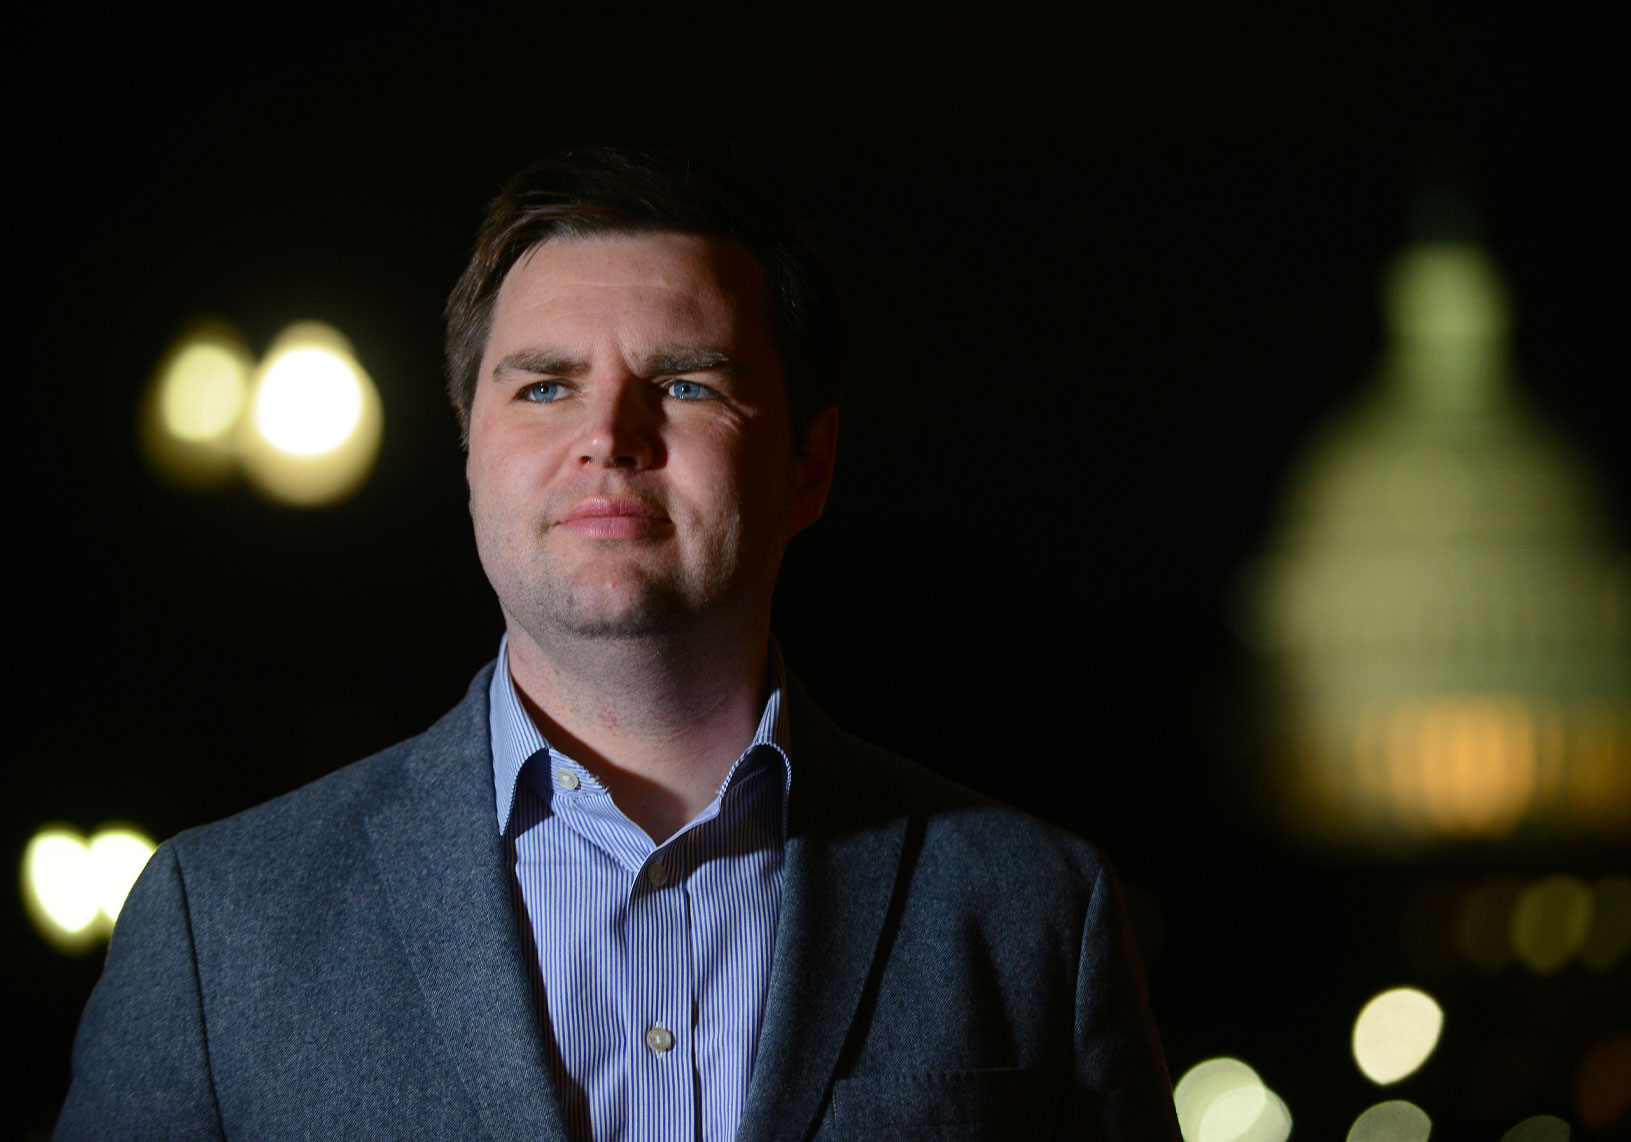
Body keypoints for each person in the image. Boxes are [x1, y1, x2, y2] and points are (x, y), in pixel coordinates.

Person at [56, 147, 1179, 1141]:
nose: (607, 438)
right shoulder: (220, 923)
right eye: (545, 385)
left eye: (686, 384)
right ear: (468, 454)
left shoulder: (1032, 908)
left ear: (810, 465)